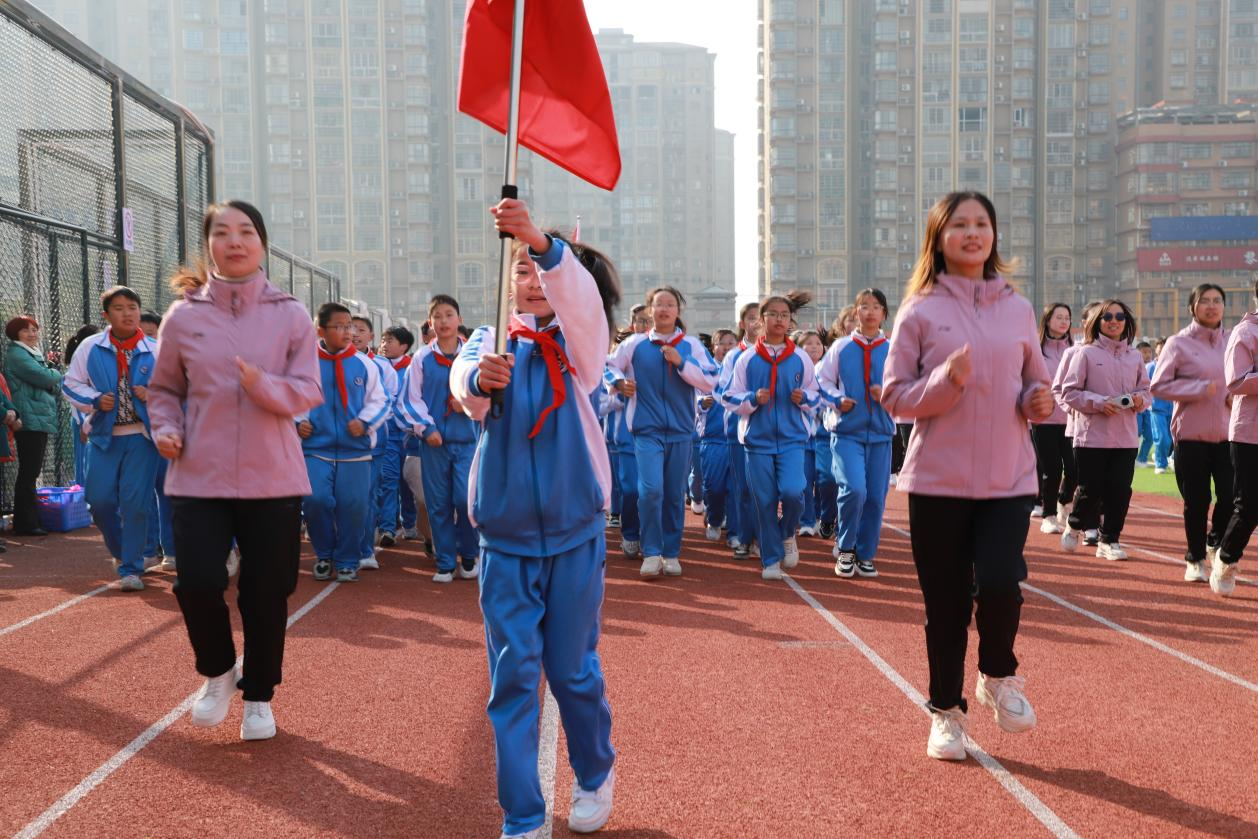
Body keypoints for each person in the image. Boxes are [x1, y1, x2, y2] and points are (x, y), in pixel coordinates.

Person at [453, 197, 619, 838]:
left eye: (540, 268)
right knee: (513, 676)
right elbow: (463, 387)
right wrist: (478, 380)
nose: (531, 277)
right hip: (505, 538)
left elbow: (579, 305)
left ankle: (594, 771)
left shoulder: (584, 341)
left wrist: (544, 245)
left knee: (573, 671)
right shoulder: (487, 337)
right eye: (520, 267)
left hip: (575, 533)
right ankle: (522, 814)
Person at [882, 191, 1053, 762]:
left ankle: (998, 675)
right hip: (939, 481)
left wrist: (1039, 399)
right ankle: (946, 713)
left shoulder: (1018, 308)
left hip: (1009, 477)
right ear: (940, 237)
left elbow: (1035, 378)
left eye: (982, 224)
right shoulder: (920, 310)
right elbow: (896, 399)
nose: (973, 233)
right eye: (960, 225)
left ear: (994, 236)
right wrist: (947, 382)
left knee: (1002, 582)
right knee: (948, 605)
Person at [149, 199, 324, 742]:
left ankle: (260, 696)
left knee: (266, 592)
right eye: (222, 232)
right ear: (209, 247)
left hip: (272, 476)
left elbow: (308, 391)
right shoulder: (184, 315)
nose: (235, 241)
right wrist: (165, 427)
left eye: (246, 231)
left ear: (262, 244)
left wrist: (261, 386)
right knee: (198, 581)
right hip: (199, 474)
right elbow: (163, 390)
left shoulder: (290, 313)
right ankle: (218, 672)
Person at [606, 287, 718, 578]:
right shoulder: (634, 344)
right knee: (650, 490)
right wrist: (619, 382)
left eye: (670, 304)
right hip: (646, 430)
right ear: (650, 310)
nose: (664, 309)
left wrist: (681, 364)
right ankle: (652, 551)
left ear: (678, 311)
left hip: (681, 432)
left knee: (671, 495)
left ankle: (671, 553)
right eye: (659, 305)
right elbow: (608, 367)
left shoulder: (691, 346)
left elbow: (711, 380)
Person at [61, 286, 161, 591]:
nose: (127, 313)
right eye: (119, 308)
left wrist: (153, 394)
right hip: (105, 437)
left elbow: (177, 389)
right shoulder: (91, 347)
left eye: (132, 307)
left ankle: (131, 568)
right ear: (106, 314)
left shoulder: (155, 350)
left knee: (136, 503)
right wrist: (94, 400)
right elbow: (69, 383)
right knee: (100, 501)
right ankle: (121, 552)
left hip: (142, 439)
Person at [726, 291, 818, 580]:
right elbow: (728, 397)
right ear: (761, 320)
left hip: (792, 439)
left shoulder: (801, 358)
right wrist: (752, 399)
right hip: (757, 442)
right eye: (773, 314)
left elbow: (817, 396)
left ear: (790, 321)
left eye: (784, 315)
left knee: (793, 492)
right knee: (763, 500)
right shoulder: (747, 358)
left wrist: (804, 398)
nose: (779, 319)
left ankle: (787, 532)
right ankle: (770, 559)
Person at [298, 303, 388, 583]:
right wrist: (297, 422)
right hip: (316, 447)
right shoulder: (305, 362)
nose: (348, 332)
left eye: (349, 325)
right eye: (339, 326)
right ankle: (324, 555)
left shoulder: (365, 364)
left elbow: (381, 401)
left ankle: (348, 559)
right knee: (315, 500)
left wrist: (365, 422)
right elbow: (291, 396)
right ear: (321, 330)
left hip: (356, 450)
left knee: (354, 504)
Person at [1149, 285, 1231, 583]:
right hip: (1191, 436)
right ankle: (1195, 557)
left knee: (1233, 496)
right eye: (1205, 301)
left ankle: (1216, 540)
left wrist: (1237, 395)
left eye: (1217, 301)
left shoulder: (1232, 341)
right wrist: (1197, 390)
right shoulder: (1178, 344)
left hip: (1229, 434)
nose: (1212, 306)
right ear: (1192, 307)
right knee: (1196, 500)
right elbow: (1158, 386)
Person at [1059, 300, 1150, 561]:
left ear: (1127, 322)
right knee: (1091, 490)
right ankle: (1075, 523)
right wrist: (1101, 404)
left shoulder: (1134, 356)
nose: (1114, 320)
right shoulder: (1084, 353)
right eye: (1107, 316)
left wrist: (1137, 400)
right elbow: (1069, 393)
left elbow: (1146, 390)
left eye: (1120, 316)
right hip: (1092, 436)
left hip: (1125, 437)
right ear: (1097, 321)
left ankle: (1109, 539)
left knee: (1120, 489)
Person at [397, 295, 479, 584]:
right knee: (438, 503)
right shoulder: (421, 358)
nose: (444, 321)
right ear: (431, 323)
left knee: (465, 500)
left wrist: (468, 402)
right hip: (433, 444)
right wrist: (425, 428)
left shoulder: (474, 356)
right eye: (438, 317)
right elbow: (409, 400)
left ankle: (469, 555)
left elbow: (489, 393)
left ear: (459, 319)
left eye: (449, 315)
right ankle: (445, 562)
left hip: (469, 442)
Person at [817, 288, 894, 579]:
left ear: (884, 313)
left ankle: (865, 554)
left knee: (875, 497)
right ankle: (846, 547)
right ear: (855, 312)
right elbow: (821, 381)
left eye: (876, 307)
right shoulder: (841, 347)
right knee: (854, 490)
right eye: (864, 306)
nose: (870, 311)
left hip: (881, 434)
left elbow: (905, 387)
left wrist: (887, 394)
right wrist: (837, 399)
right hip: (846, 431)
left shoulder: (894, 349)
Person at [1215, 277, 1258, 597]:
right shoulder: (1246, 333)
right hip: (1250, 433)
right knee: (1250, 506)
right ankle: (1227, 558)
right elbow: (1236, 381)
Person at [5, 315, 63, 536]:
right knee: (29, 471)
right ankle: (26, 523)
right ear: (16, 334)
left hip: (37, 417)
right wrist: (54, 373)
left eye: (34, 329)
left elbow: (51, 385)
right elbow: (46, 379)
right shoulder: (18, 354)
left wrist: (51, 377)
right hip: (29, 419)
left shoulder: (31, 353)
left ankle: (29, 520)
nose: (32, 334)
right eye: (26, 330)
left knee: (31, 470)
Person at [349, 315, 397, 570]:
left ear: (371, 337)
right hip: (339, 443)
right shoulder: (330, 361)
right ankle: (343, 546)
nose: (355, 333)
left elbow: (388, 402)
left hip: (373, 443)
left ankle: (365, 549)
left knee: (367, 495)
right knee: (343, 497)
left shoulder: (381, 366)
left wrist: (365, 423)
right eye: (350, 328)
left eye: (361, 330)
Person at [719, 302, 763, 558]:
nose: (757, 323)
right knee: (742, 488)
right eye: (751, 319)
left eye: (761, 318)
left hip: (769, 433)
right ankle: (742, 534)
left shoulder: (780, 355)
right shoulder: (734, 356)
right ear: (742, 323)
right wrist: (751, 400)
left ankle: (762, 535)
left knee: (764, 489)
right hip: (739, 432)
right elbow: (723, 391)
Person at [1031, 303, 1076, 536]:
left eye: (1067, 317)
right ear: (1047, 320)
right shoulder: (1036, 350)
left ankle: (1063, 500)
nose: (1064, 321)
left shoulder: (1076, 349)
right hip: (1044, 420)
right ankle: (1048, 515)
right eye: (1059, 317)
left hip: (1071, 420)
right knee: (1051, 469)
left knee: (1074, 468)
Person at [377, 325, 416, 546]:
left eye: (390, 340)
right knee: (389, 479)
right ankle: (388, 528)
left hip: (410, 436)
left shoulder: (412, 368)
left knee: (407, 482)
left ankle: (409, 523)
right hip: (389, 434)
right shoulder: (375, 366)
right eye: (383, 340)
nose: (384, 345)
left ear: (404, 346)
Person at [697, 328, 737, 541]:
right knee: (714, 487)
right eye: (722, 342)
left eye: (731, 342)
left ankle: (734, 530)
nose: (727, 346)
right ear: (714, 347)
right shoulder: (706, 371)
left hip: (736, 439)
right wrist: (701, 403)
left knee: (736, 488)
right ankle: (714, 518)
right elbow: (691, 398)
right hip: (712, 439)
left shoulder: (740, 370)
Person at [794, 328, 828, 538]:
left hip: (825, 436)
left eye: (818, 343)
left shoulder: (829, 370)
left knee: (825, 481)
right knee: (805, 481)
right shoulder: (797, 370)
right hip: (803, 436)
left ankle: (820, 516)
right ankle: (807, 520)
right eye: (809, 343)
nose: (815, 347)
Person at [63, 324, 101, 488]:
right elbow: (75, 395)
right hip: (82, 421)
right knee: (83, 463)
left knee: (90, 463)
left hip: (91, 419)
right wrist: (81, 422)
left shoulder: (91, 357)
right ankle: (82, 503)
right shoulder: (80, 360)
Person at [1148, 338, 1174, 473]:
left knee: (1173, 439)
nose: (1162, 352)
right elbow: (1143, 386)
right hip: (1157, 408)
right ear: (1156, 351)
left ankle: (1169, 458)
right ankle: (1160, 464)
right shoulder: (1150, 367)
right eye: (1159, 350)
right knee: (1162, 438)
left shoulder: (1174, 366)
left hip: (1173, 408)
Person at [1135, 341, 1155, 468]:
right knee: (1134, 434)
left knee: (1150, 435)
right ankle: (1130, 458)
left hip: (1149, 408)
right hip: (1136, 407)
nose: (1147, 355)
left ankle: (1141, 459)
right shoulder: (1133, 366)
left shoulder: (1154, 366)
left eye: (1149, 352)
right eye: (1144, 352)